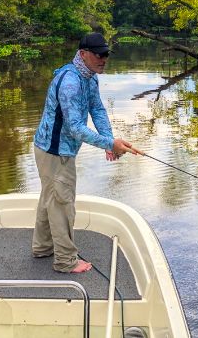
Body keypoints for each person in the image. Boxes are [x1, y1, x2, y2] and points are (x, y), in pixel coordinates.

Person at [32, 32, 136, 273]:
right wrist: (109, 145)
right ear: (83, 54)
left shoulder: (89, 77)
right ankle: (65, 261)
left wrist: (109, 140)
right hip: (54, 151)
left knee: (51, 197)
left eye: (106, 54)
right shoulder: (70, 81)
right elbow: (75, 127)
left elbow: (97, 108)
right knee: (62, 203)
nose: (104, 59)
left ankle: (42, 247)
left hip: (55, 149)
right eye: (99, 54)